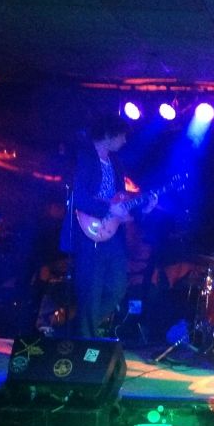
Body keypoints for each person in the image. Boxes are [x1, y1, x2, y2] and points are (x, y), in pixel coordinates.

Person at [60, 115, 156, 338]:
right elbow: (77, 197)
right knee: (91, 292)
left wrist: (144, 207)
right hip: (88, 231)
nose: (124, 140)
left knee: (117, 288)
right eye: (122, 135)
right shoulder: (85, 157)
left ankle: (74, 330)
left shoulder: (116, 163)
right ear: (108, 134)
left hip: (112, 234)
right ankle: (86, 342)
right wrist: (107, 210)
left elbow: (120, 201)